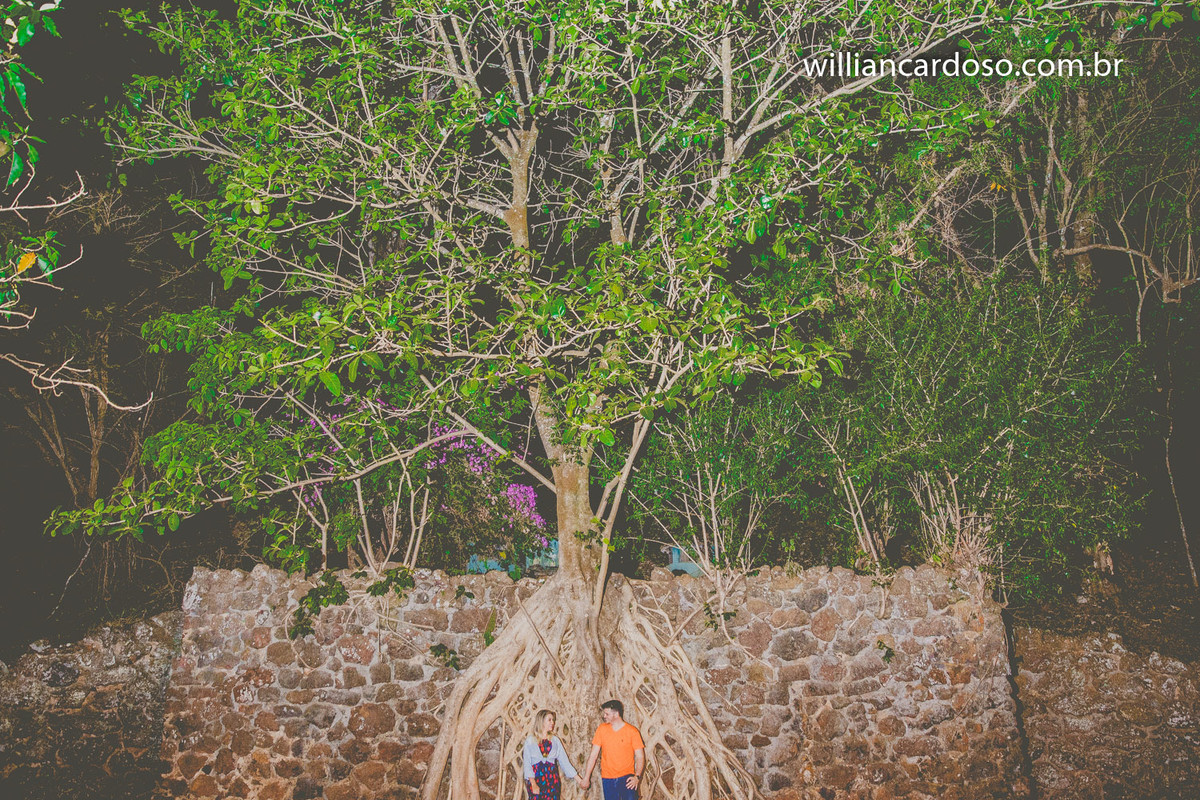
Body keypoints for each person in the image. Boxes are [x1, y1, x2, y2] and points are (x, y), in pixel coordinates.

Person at [580, 700, 645, 800]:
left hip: (627, 778)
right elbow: (593, 755)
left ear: (616, 714)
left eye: (607, 714)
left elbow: (640, 756)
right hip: (608, 779)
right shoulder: (601, 729)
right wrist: (586, 777)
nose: (604, 716)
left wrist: (637, 777)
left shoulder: (632, 731)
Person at [522, 709, 582, 799]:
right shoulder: (530, 741)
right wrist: (533, 784)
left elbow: (565, 762)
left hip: (552, 781)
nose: (552, 722)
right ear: (541, 721)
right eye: (549, 720)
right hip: (536, 780)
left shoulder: (555, 740)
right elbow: (527, 764)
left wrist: (579, 780)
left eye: (553, 720)